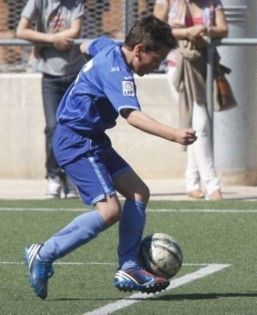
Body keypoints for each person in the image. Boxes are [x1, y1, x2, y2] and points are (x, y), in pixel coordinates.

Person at [23, 16, 197, 300]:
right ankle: (43, 253)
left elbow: (85, 45)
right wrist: (174, 134)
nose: (158, 66)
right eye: (158, 58)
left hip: (93, 139)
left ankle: (128, 266)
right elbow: (133, 116)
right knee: (110, 210)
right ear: (139, 50)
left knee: (139, 193)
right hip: (76, 141)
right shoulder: (118, 72)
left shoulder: (110, 47)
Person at [153, 0, 228, 200]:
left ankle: (192, 182)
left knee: (197, 124)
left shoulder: (212, 3)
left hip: (202, 65)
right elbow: (154, 29)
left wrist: (206, 30)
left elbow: (224, 29)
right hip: (177, 67)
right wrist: (186, 33)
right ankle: (212, 185)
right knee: (200, 124)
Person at [16, 0, 86, 198]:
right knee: (53, 128)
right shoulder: (39, 2)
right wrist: (53, 39)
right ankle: (53, 177)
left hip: (74, 75)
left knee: (74, 127)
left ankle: (72, 178)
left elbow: (76, 30)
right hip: (50, 77)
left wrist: (44, 39)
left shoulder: (75, 3)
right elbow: (22, 31)